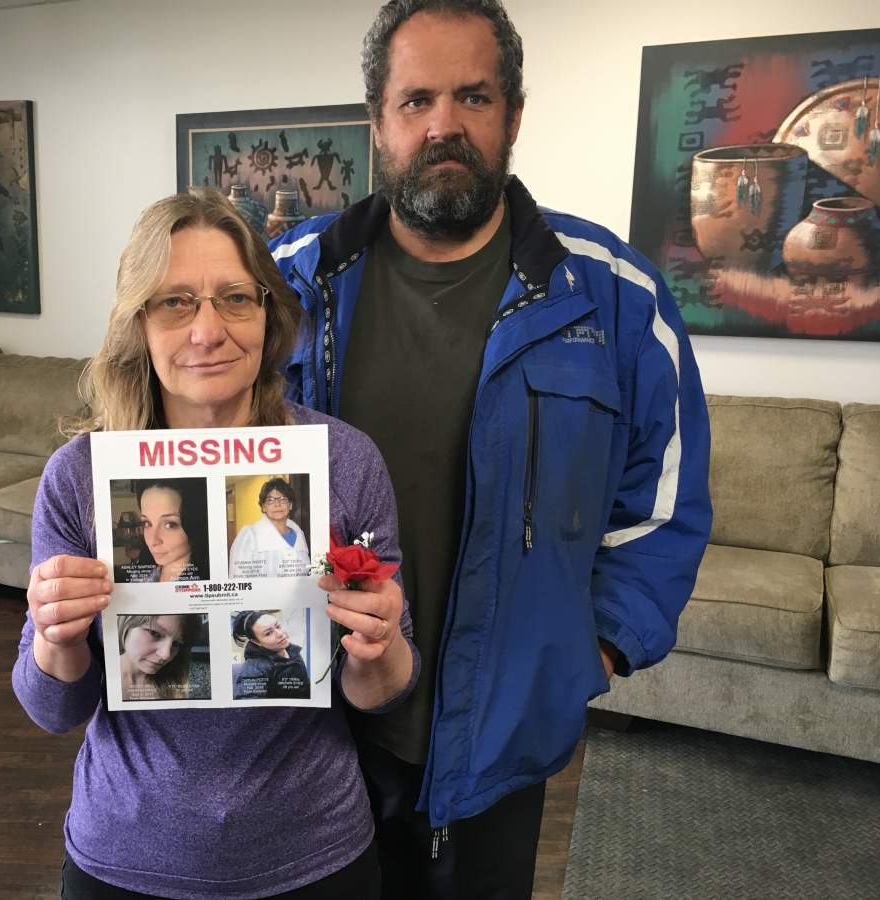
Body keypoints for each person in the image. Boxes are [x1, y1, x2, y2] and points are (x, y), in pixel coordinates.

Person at [269, 2, 713, 897]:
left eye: (473, 96)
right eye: (417, 99)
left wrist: (593, 651)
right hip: (313, 726)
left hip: (504, 731)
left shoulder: (615, 296)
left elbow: (663, 501)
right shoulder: (285, 282)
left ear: (513, 114)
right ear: (377, 123)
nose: (445, 124)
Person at [12, 188, 421, 899]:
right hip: (125, 856)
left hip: (313, 853)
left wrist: (378, 645)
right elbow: (52, 710)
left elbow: (382, 696)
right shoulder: (80, 477)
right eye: (175, 302)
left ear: (269, 316)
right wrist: (57, 635)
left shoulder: (343, 461)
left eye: (236, 298)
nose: (208, 330)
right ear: (138, 322)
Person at [116, 479, 210, 583]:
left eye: (169, 525)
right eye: (147, 523)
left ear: (195, 524)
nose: (153, 540)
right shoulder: (139, 579)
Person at [228, 477, 311, 577]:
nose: (277, 504)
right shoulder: (249, 535)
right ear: (263, 506)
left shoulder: (299, 534)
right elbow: (238, 578)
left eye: (283, 499)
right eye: (270, 500)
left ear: (290, 505)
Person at [118, 613, 206, 701]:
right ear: (127, 624)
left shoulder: (175, 678)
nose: (166, 655)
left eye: (176, 644)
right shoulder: (106, 679)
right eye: (155, 633)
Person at [231, 610, 311, 699]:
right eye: (268, 633)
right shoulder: (254, 669)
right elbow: (249, 703)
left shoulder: (291, 650)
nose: (280, 634)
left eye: (278, 626)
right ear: (256, 642)